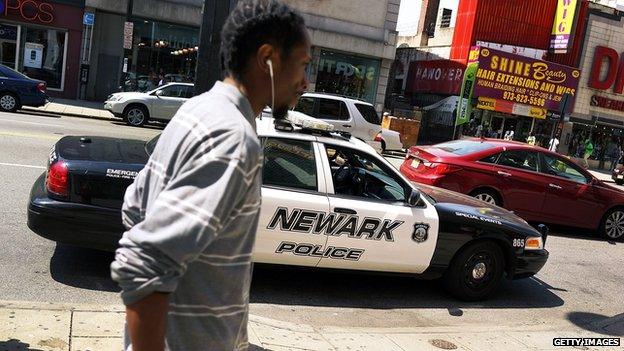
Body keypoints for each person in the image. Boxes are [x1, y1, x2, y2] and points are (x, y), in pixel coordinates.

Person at [110, 1, 311, 350]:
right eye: (303, 65)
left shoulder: (198, 109)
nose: (305, 83)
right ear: (268, 59)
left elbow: (134, 207)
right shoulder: (234, 139)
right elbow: (144, 261)